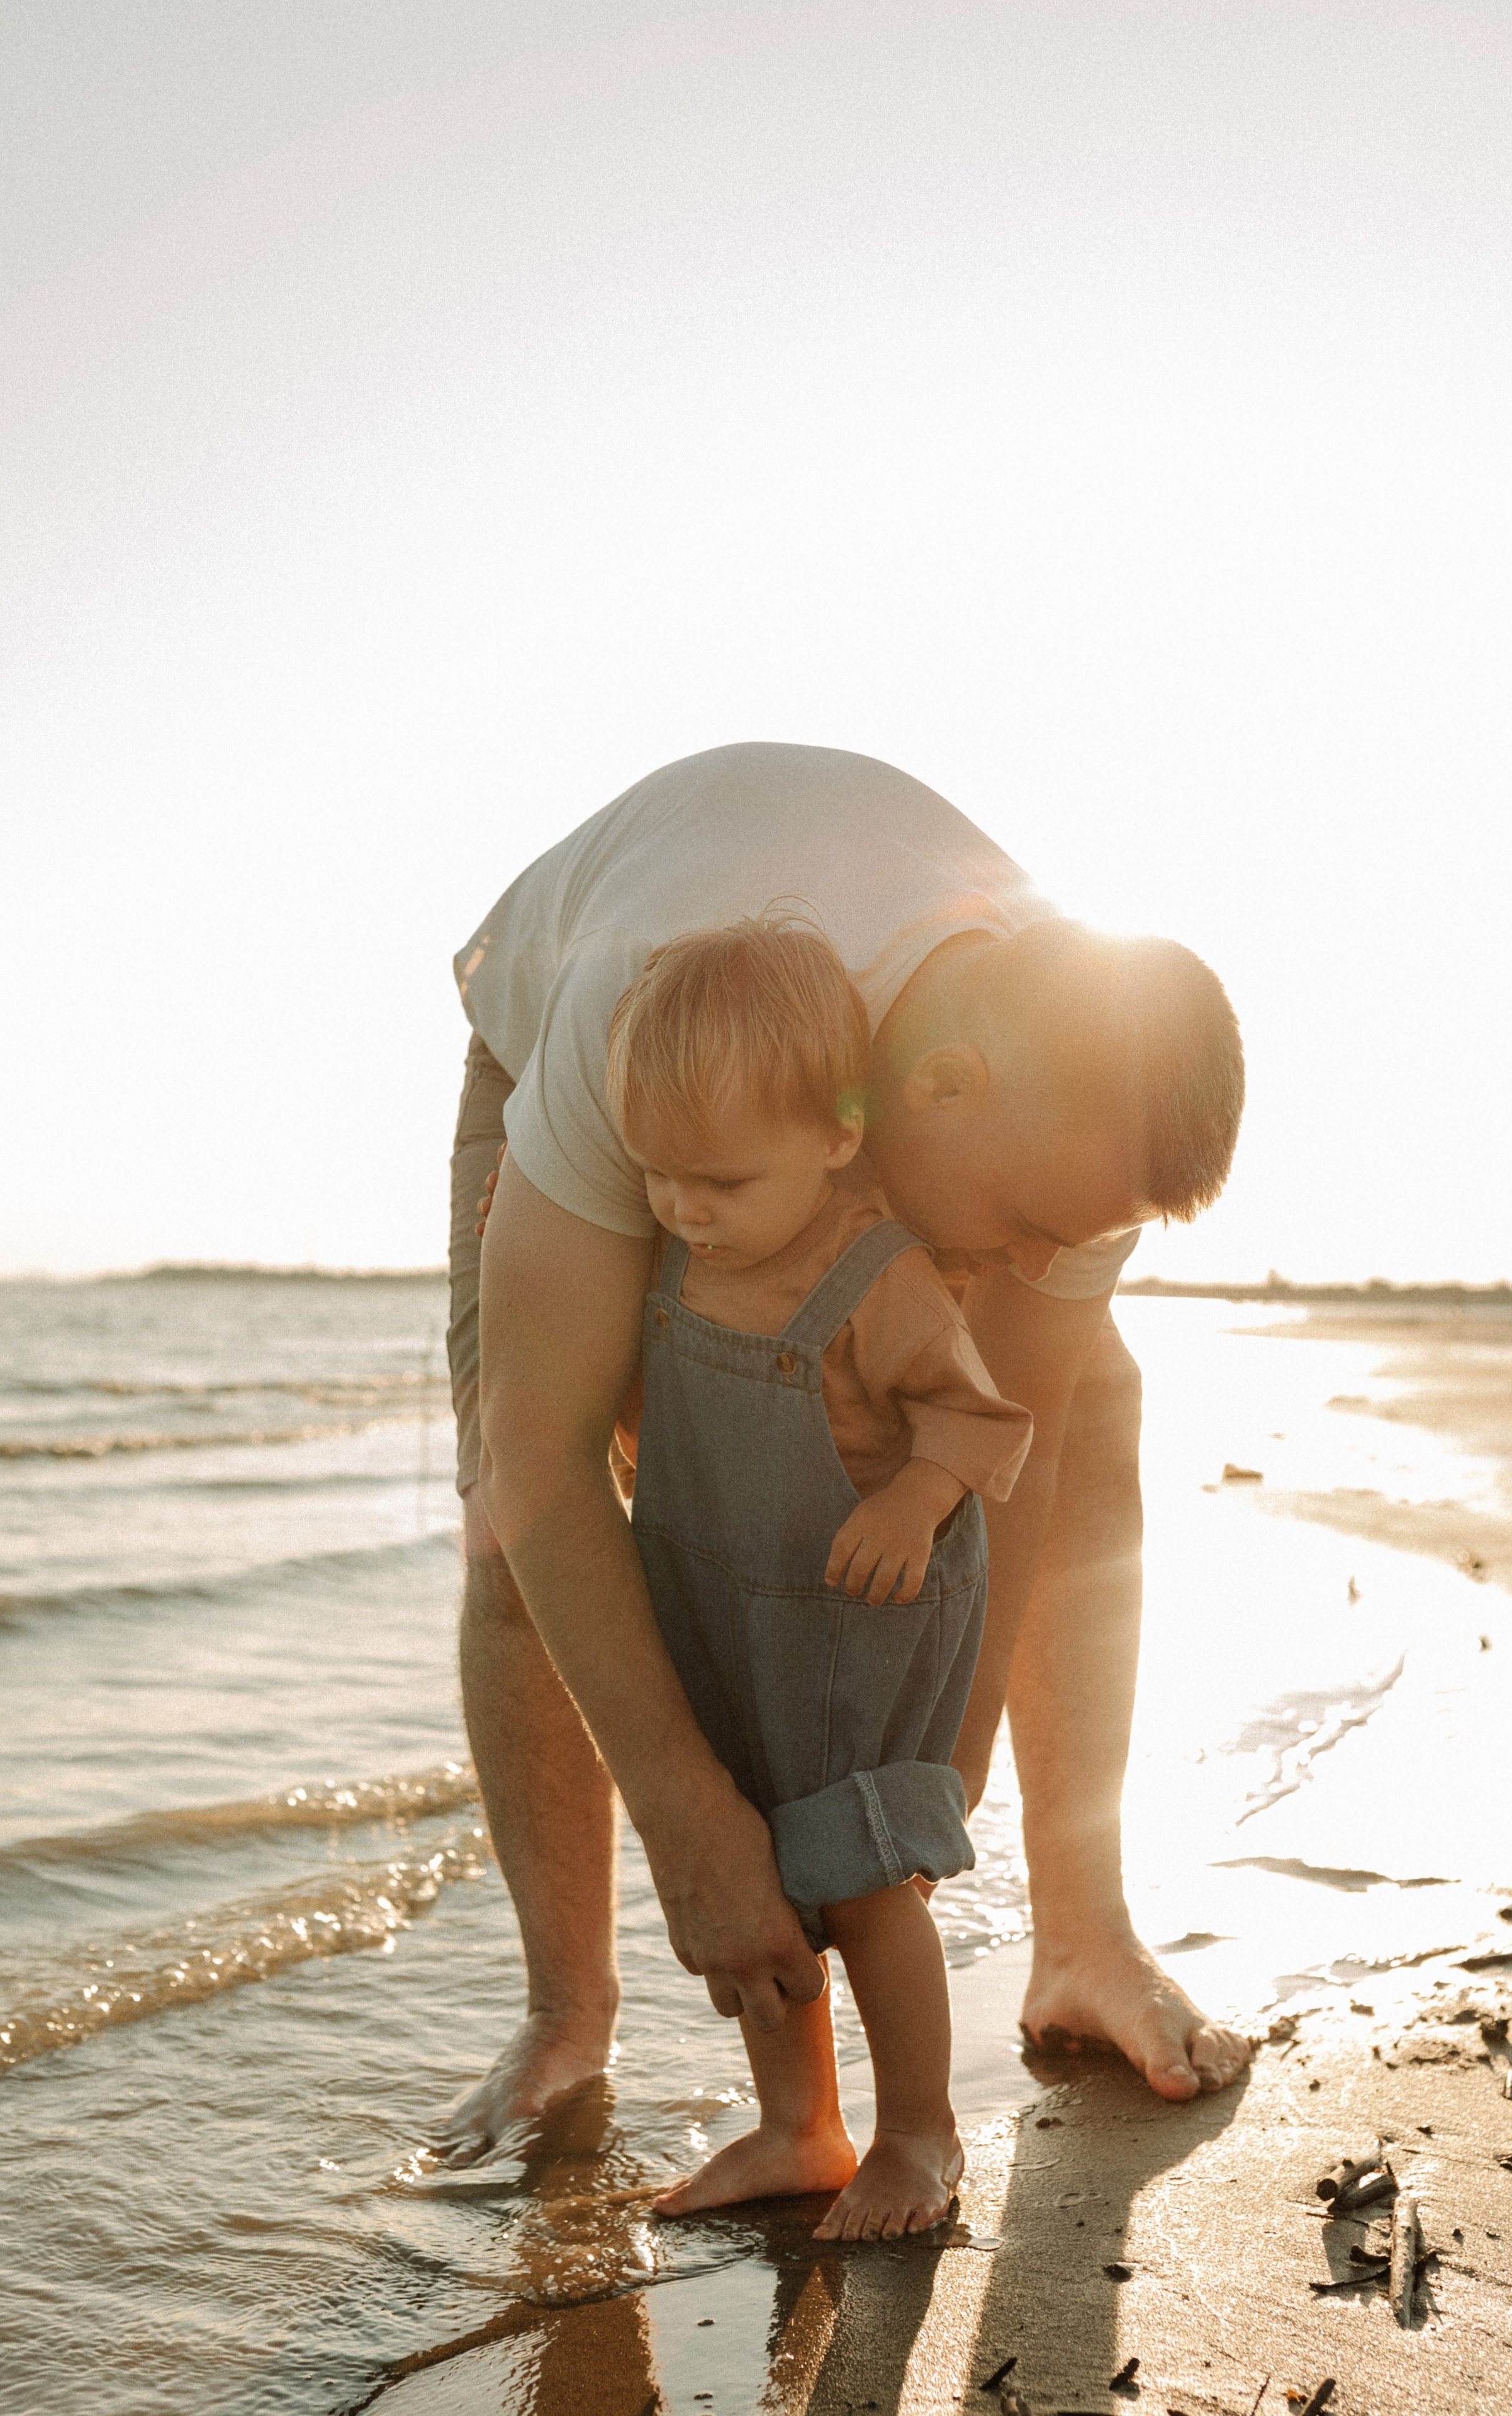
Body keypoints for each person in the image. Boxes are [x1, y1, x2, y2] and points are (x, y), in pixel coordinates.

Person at [442, 741, 1252, 2165]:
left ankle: (1084, 1941)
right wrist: (691, 1831)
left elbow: (1025, 1449)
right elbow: (544, 1456)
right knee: (513, 1518)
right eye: (1025, 1228)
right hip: (643, 1058)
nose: (1032, 1267)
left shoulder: (1070, 1119)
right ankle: (564, 2017)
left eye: (1075, 1239)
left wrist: (940, 1774)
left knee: (1089, 1408)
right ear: (934, 1089)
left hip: (849, 1038)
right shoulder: (628, 1003)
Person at [607, 915, 1031, 2239]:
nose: (683, 1208)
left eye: (719, 1181)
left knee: (855, 1872)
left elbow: (977, 1419)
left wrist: (914, 1493)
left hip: (855, 1618)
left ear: (837, 1136)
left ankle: (919, 2134)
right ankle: (801, 2128)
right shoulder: (678, 1255)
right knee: (763, 1883)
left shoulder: (875, 1272)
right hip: (719, 1618)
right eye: (658, 1175)